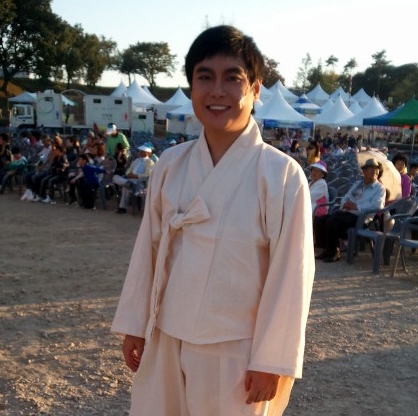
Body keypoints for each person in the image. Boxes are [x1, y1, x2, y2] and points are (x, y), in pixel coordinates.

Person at [111, 25, 315, 416]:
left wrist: (271, 360)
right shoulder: (171, 164)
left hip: (235, 349)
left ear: (255, 89)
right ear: (192, 88)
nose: (217, 91)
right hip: (166, 332)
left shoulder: (281, 175)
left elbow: (292, 275)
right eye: (205, 77)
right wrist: (135, 323)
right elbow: (148, 247)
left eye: (232, 79)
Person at [314, 158, 386, 263]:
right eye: (371, 169)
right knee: (320, 220)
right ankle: (327, 249)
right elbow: (345, 197)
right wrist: (345, 204)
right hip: (347, 213)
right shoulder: (358, 184)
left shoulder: (379, 189)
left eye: (376, 169)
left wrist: (356, 207)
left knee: (332, 221)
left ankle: (334, 252)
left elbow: (377, 205)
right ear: (364, 171)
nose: (374, 171)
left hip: (361, 218)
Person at [113, 145, 155, 214]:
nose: (140, 153)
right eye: (140, 151)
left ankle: (122, 208)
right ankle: (128, 183)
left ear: (147, 153)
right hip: (130, 180)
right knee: (115, 177)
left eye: (142, 151)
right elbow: (128, 171)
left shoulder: (150, 162)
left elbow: (148, 174)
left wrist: (136, 176)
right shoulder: (136, 160)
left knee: (125, 188)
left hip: (139, 183)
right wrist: (128, 174)